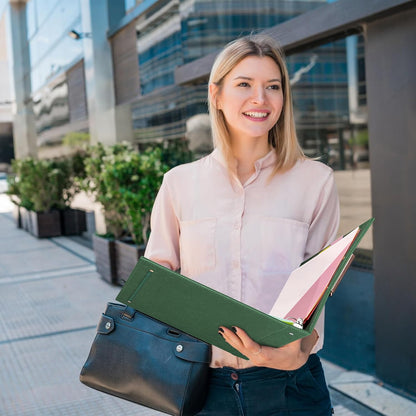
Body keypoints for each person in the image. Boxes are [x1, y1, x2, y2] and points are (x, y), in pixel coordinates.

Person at [144, 34, 339, 416]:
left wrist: (298, 350)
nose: (260, 99)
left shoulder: (316, 181)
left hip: (291, 385)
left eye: (273, 87)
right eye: (244, 84)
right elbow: (158, 278)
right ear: (216, 95)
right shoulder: (179, 183)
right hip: (203, 385)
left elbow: (319, 287)